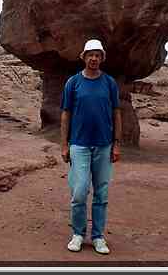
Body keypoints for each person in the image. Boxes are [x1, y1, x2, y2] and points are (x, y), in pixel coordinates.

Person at [60, 39, 122, 255]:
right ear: (83, 57)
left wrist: (117, 143)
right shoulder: (73, 83)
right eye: (90, 54)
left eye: (97, 55)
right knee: (79, 191)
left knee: (101, 193)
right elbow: (66, 114)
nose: (94, 58)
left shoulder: (109, 83)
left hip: (104, 146)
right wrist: (64, 144)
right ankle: (78, 233)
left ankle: (98, 236)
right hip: (79, 145)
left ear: (102, 58)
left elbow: (116, 113)